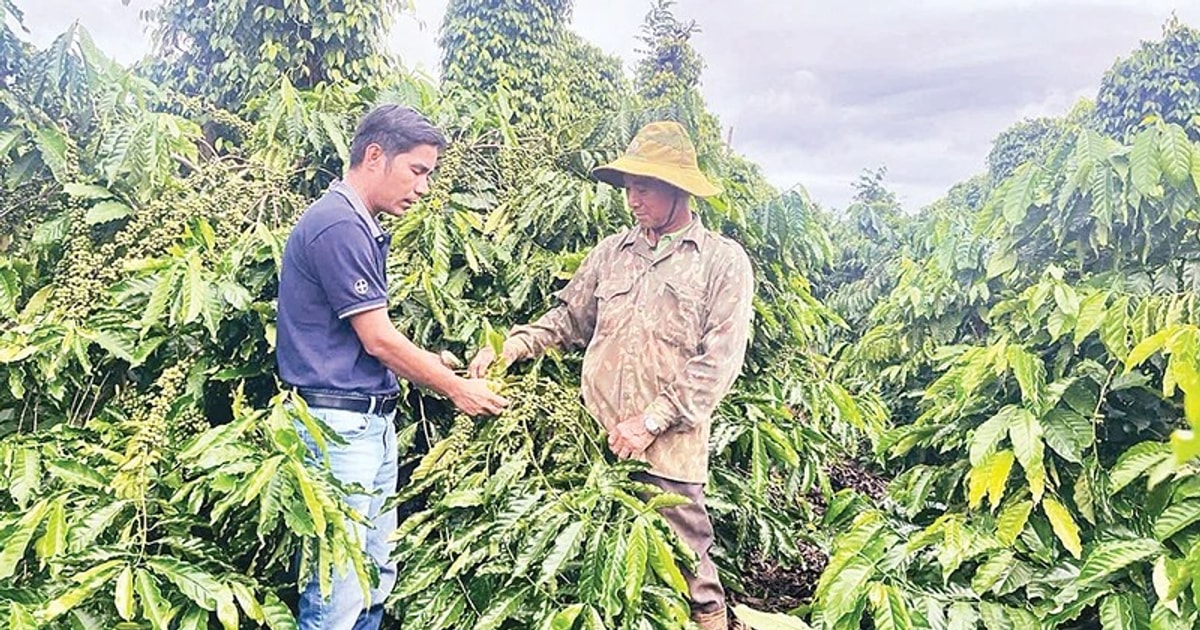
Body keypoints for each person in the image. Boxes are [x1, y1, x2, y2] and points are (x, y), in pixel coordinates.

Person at [469, 121, 754, 630]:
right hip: (595, 440)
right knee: (600, 565)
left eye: (643, 187)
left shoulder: (721, 262)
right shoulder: (611, 253)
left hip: (669, 449)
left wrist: (650, 420)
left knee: (690, 564)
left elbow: (717, 363)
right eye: (628, 187)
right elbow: (568, 320)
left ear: (678, 189)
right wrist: (512, 345)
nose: (633, 199)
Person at [276, 104, 508, 630]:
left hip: (365, 424)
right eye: (418, 171)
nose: (423, 187)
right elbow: (378, 340)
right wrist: (455, 388)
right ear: (375, 156)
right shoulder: (337, 224)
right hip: (337, 429)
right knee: (337, 586)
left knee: (371, 575)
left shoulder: (361, 223)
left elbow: (360, 333)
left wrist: (431, 361)